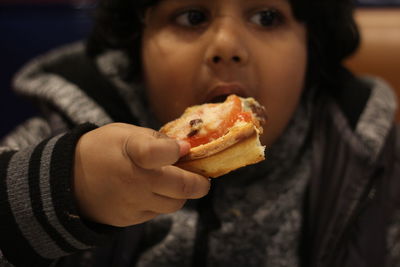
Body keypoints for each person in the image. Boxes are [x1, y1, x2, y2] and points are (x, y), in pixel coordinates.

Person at [0, 0, 399, 266]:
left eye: (267, 17)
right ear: (137, 43)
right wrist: (66, 189)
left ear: (311, 44)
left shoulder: (367, 155)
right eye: (192, 17)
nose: (226, 46)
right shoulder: (64, 131)